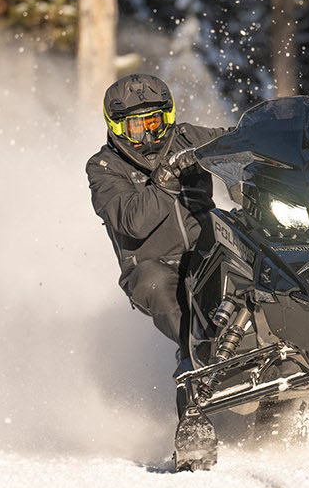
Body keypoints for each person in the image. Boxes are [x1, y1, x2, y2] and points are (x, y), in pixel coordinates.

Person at [85, 74, 227, 363]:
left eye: (154, 123)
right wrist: (166, 179)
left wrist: (292, 131)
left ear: (168, 117)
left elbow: (237, 138)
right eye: (137, 127)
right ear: (118, 127)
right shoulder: (104, 167)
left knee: (253, 237)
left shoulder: (187, 138)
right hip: (152, 266)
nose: (148, 135)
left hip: (207, 249)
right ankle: (199, 355)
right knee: (156, 283)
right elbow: (132, 221)